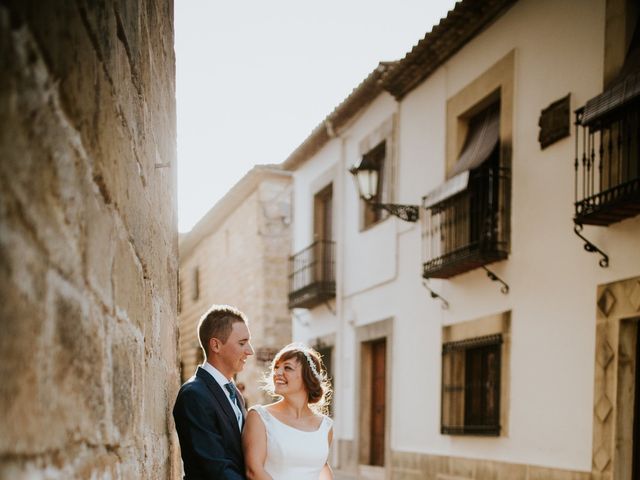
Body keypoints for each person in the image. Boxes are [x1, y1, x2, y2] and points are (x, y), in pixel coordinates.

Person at [173, 304, 254, 479]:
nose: (250, 351)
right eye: (242, 343)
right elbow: (215, 468)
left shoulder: (235, 394)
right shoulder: (194, 395)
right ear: (216, 345)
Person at [242, 343, 334, 480]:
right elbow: (254, 471)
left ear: (307, 376)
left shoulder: (325, 425)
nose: (277, 373)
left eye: (288, 368)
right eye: (276, 367)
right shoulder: (259, 417)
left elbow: (322, 467)